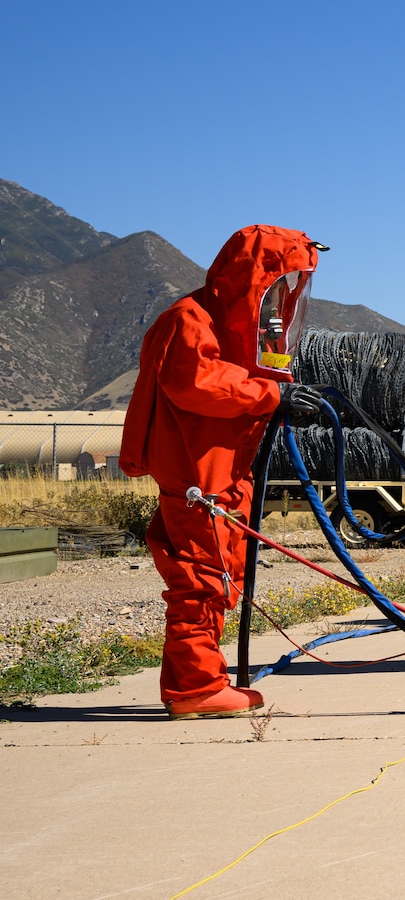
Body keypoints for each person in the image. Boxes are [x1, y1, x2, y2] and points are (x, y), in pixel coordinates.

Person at [118, 226, 328, 718]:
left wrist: (274, 390)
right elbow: (197, 383)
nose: (281, 297)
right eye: (277, 284)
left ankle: (199, 682)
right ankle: (196, 689)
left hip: (219, 470)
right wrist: (270, 396)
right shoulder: (188, 320)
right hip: (197, 473)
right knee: (200, 578)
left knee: (216, 571)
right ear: (251, 279)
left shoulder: (221, 322)